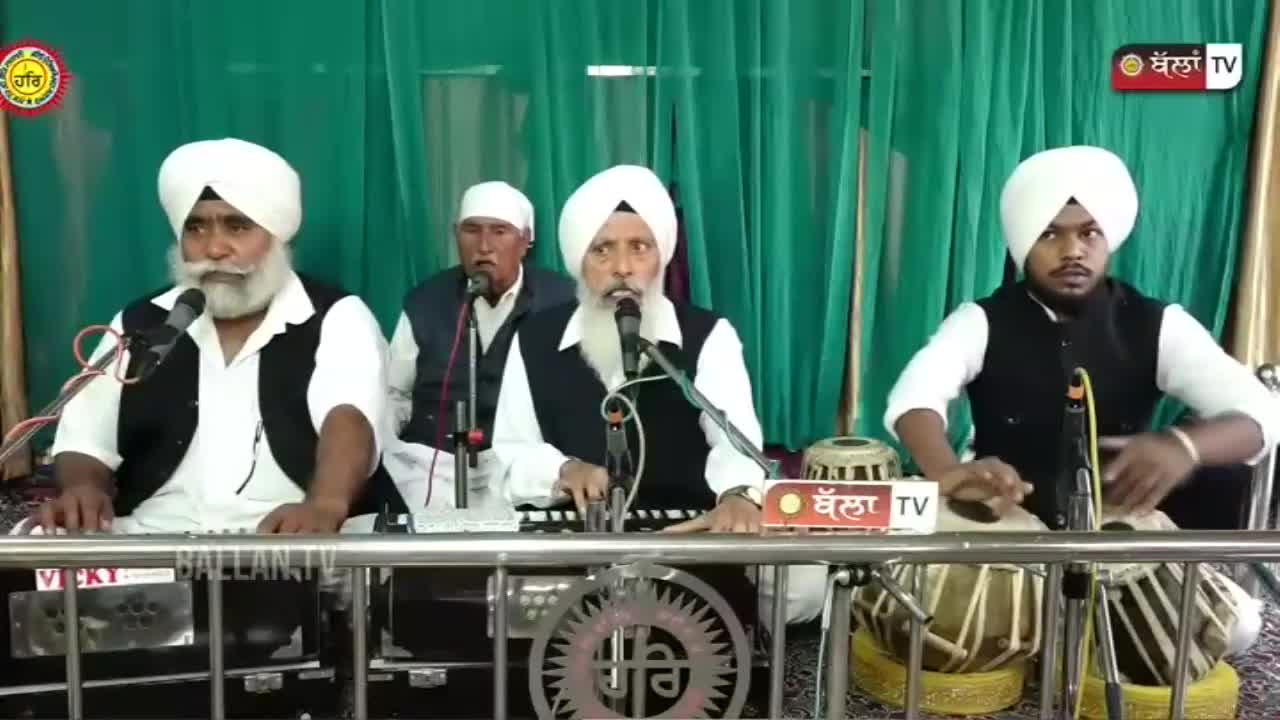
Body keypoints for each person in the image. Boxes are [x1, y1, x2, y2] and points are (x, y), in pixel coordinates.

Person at [492, 164, 825, 624]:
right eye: (602, 250)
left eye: (639, 248)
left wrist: (738, 496)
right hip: (574, 531)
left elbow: (735, 438)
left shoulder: (707, 335)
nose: (623, 268)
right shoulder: (532, 339)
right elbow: (511, 450)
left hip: (686, 530)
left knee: (806, 582)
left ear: (660, 257)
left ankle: (751, 654)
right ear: (579, 261)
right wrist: (563, 470)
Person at [885, 145, 1280, 529]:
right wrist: (950, 472)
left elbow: (1262, 414)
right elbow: (915, 397)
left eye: (1089, 233)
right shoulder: (979, 321)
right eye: (1049, 235)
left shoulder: (1159, 324)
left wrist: (1185, 447)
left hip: (1114, 537)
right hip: (1004, 529)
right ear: (1024, 244)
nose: (1072, 251)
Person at [30, 138, 404, 535]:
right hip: (153, 537)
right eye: (196, 227)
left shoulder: (336, 316)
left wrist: (324, 505)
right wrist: (84, 489)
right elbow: (87, 438)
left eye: (237, 226)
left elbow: (348, 418)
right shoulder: (142, 321)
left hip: (286, 537)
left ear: (276, 235)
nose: (214, 247)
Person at [384, 182, 573, 508]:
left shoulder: (564, 301)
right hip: (431, 470)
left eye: (500, 232)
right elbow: (394, 395)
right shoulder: (426, 301)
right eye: (472, 231)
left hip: (520, 467)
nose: (484, 246)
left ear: (526, 240)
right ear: (456, 234)